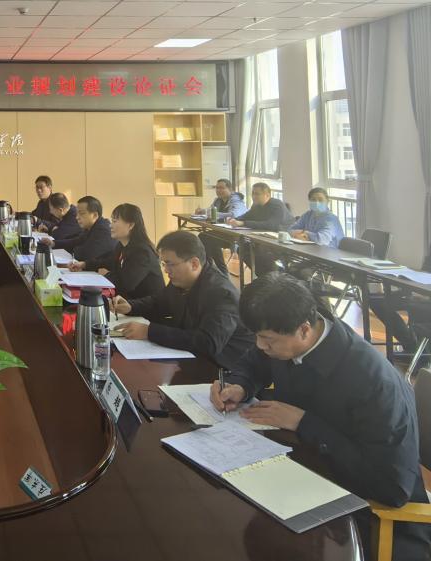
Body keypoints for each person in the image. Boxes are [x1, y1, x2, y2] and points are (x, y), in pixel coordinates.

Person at [212, 273, 431, 561]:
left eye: (267, 339)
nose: (260, 345)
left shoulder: (373, 383)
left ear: (304, 329)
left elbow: (391, 487)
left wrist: (303, 423)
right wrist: (240, 384)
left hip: (370, 517)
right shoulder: (287, 337)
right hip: (305, 477)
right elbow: (255, 361)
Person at [112, 230, 253, 369]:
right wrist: (131, 306)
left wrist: (149, 332)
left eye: (170, 264)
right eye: (163, 264)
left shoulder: (221, 293)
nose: (166, 270)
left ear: (194, 264)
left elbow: (208, 342)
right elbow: (159, 302)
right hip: (190, 356)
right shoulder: (182, 280)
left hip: (223, 368)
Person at [202, 182, 295, 276]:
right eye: (253, 193)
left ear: (267, 195)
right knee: (243, 249)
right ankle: (264, 276)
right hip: (261, 237)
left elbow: (271, 225)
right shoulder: (256, 205)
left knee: (259, 251)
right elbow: (246, 216)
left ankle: (272, 275)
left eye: (257, 194)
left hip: (281, 240)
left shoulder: (277, 205)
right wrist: (234, 220)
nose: (254, 196)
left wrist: (243, 223)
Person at [75, 204, 164, 300]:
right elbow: (109, 262)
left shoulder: (142, 252)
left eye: (114, 221)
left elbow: (126, 284)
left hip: (144, 306)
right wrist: (84, 264)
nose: (110, 225)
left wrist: (104, 276)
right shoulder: (122, 245)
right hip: (127, 301)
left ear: (130, 225)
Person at [46, 195, 117, 267]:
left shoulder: (103, 230)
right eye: (77, 213)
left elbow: (85, 256)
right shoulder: (90, 227)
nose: (77, 217)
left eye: (81, 213)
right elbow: (76, 241)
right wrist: (54, 243)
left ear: (95, 215)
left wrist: (76, 249)